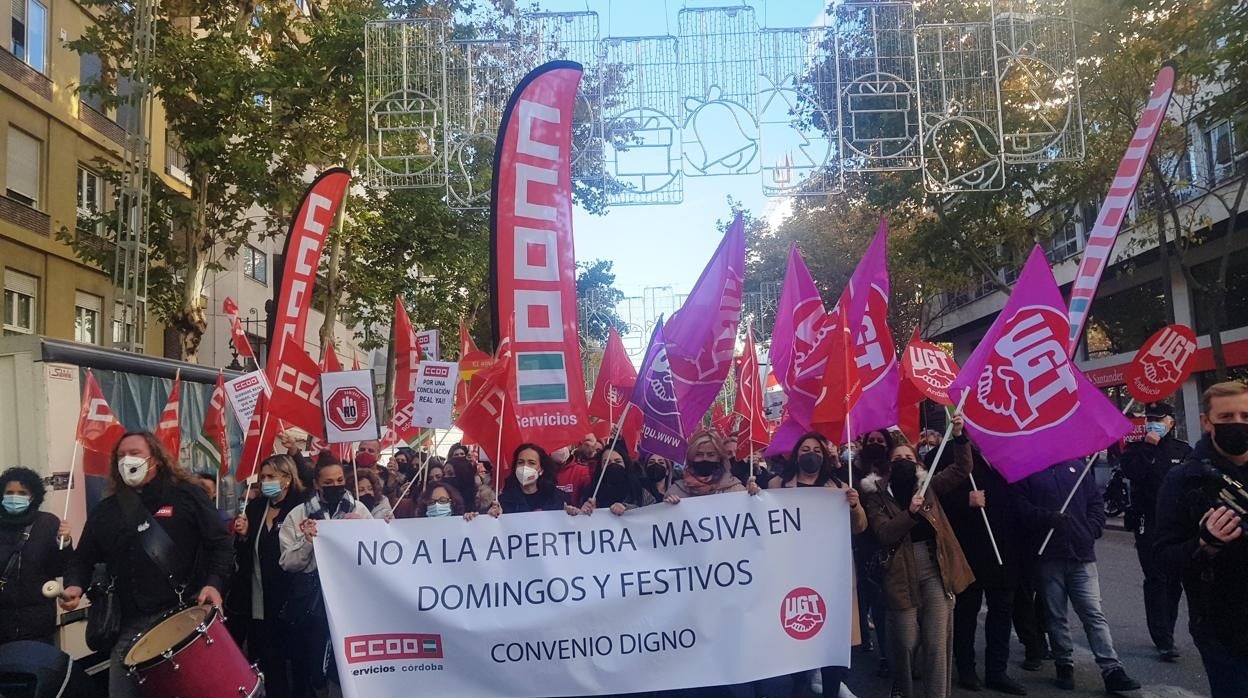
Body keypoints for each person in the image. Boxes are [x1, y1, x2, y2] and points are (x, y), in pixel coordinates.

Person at [60, 432, 232, 698]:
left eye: (135, 453)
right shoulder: (106, 511)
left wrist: (214, 583)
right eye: (121, 455)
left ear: (157, 460)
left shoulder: (186, 496)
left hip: (184, 616)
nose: (127, 459)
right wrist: (74, 585)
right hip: (130, 625)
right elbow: (82, 558)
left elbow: (221, 544)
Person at [859, 417, 972, 698]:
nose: (904, 460)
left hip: (934, 567)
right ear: (888, 463)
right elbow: (884, 533)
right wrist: (910, 514)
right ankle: (905, 690)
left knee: (936, 643)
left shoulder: (928, 485)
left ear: (918, 463)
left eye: (909, 456)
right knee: (906, 642)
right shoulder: (876, 494)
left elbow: (962, 469)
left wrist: (959, 436)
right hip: (898, 573)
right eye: (897, 457)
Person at [1012, 458, 1141, 693]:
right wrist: (1046, 518)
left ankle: (1112, 669)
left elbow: (1094, 502)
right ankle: (1064, 663)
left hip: (1081, 554)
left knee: (1093, 613)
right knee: (1055, 615)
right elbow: (1021, 508)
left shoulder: (1078, 469)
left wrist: (1092, 529)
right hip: (1048, 556)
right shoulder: (1028, 471)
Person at [1154, 381, 1248, 697]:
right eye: (1227, 417)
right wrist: (1204, 544)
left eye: (1246, 416)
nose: (1238, 424)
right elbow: (1163, 559)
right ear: (1208, 423)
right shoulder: (1183, 479)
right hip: (1225, 631)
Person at [774, 433, 868, 697]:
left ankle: (831, 689)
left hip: (830, 576)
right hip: (793, 572)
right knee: (797, 632)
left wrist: (855, 506)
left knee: (831, 637)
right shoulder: (777, 485)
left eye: (816, 449)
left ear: (824, 456)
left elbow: (860, 528)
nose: (811, 453)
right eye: (805, 448)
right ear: (796, 454)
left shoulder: (838, 487)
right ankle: (799, 684)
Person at [938, 447, 1029, 695]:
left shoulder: (1008, 452)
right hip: (971, 548)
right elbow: (934, 497)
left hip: (1006, 547)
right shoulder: (950, 453)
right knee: (967, 611)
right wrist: (964, 500)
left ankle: (997, 671)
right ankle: (966, 668)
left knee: (1002, 612)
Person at [279, 459, 372, 693]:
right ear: (316, 484)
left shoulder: (358, 510)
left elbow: (376, 553)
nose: (335, 486)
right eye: (328, 482)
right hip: (314, 606)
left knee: (350, 666)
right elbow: (287, 563)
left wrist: (364, 532)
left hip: (352, 603)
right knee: (317, 667)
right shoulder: (297, 515)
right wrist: (308, 542)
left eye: (340, 481)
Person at [1120, 400, 1191, 662]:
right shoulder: (1136, 449)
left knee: (1173, 581)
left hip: (1177, 525)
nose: (1153, 423)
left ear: (1170, 422)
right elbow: (1133, 472)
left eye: (1158, 419)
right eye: (1149, 418)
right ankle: (1162, 639)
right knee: (1156, 577)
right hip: (1147, 521)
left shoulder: (1183, 451)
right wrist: (1149, 447)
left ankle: (1168, 631)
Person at [231, 455, 306, 698]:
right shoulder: (255, 508)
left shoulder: (301, 506)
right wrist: (242, 536)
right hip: (259, 598)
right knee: (266, 658)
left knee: (295, 660)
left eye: (271, 476)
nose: (265, 481)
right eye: (263, 477)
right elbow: (245, 556)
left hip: (292, 599)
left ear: (287, 478)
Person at [0, 466, 72, 645]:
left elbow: (60, 567)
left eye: (22, 493)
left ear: (33, 496)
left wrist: (64, 542)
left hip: (37, 623)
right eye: (9, 492)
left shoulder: (47, 523)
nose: (14, 497)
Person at [494, 444, 579, 515]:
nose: (525, 467)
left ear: (541, 469)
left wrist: (573, 514)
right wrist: (493, 517)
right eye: (520, 462)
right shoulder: (503, 502)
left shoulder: (558, 499)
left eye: (531, 463)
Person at [582, 442, 656, 515]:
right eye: (607, 462)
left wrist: (628, 509)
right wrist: (586, 512)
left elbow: (653, 513)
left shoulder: (639, 491)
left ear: (625, 465)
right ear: (600, 467)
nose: (613, 464)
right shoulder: (592, 493)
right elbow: (582, 522)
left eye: (618, 461)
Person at [555, 434, 596, 506]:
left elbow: (588, 496)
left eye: (565, 443)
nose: (560, 448)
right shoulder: (543, 471)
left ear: (571, 446)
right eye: (556, 444)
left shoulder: (581, 471)